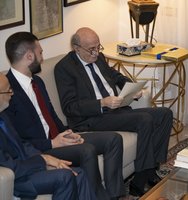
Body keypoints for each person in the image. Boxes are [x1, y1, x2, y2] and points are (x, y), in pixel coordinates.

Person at [4, 32, 126, 200]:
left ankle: (114, 195)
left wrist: (68, 132)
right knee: (86, 151)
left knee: (113, 139)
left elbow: (51, 115)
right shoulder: (7, 93)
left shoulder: (37, 82)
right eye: (40, 53)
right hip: (42, 147)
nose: (42, 58)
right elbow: (17, 140)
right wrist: (52, 143)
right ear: (29, 56)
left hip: (59, 138)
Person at [54, 27, 173, 196]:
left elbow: (115, 76)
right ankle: (140, 179)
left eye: (98, 47)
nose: (96, 53)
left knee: (164, 114)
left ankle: (152, 167)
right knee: (144, 119)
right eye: (91, 49)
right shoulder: (64, 68)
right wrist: (102, 103)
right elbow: (70, 107)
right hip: (93, 117)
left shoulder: (99, 57)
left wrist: (132, 87)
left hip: (116, 109)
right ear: (76, 48)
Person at [0, 72, 96, 200]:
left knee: (78, 173)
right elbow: (10, 167)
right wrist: (43, 161)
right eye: (8, 91)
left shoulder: (3, 115)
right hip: (16, 178)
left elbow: (22, 144)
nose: (12, 94)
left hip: (26, 165)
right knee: (65, 176)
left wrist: (45, 158)